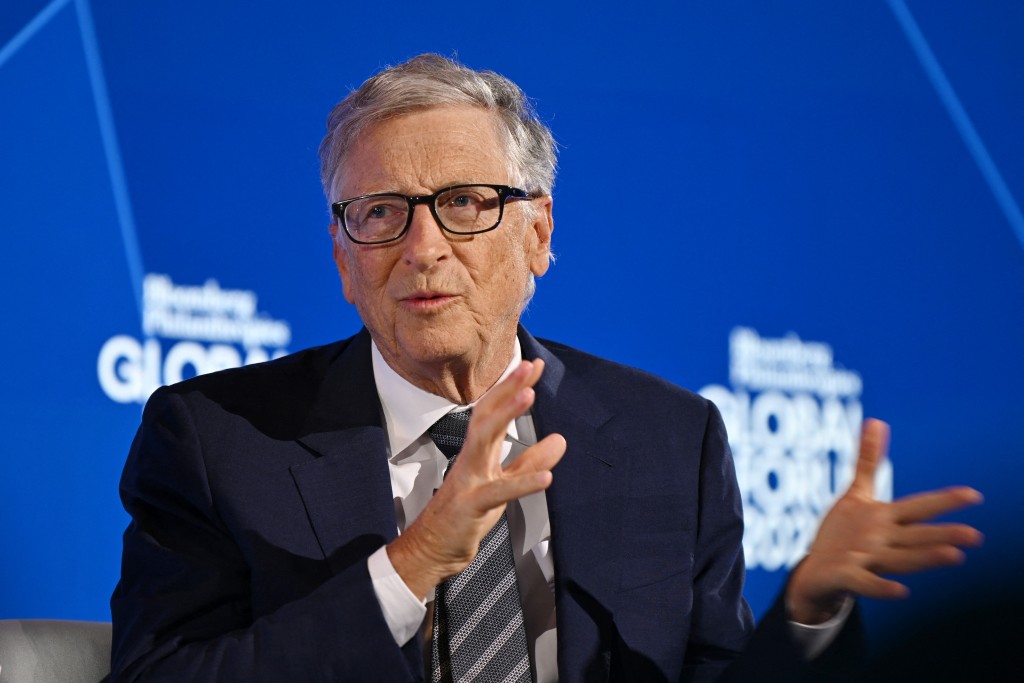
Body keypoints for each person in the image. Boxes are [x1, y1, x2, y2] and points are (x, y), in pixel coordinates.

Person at [110, 54, 982, 682]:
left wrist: (809, 607)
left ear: (538, 233)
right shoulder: (219, 439)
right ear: (341, 256)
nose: (423, 248)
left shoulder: (668, 440)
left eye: (463, 204)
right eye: (381, 212)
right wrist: (410, 565)